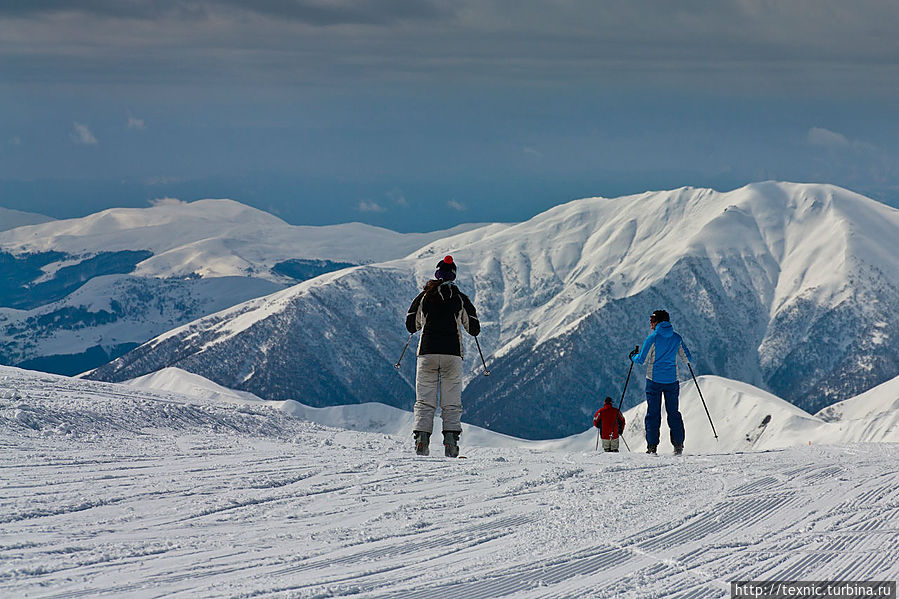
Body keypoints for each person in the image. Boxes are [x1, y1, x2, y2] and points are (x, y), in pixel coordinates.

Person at [405, 255, 480, 457]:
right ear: (454, 276)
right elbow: (473, 328)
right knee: (451, 401)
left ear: (437, 274)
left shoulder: (424, 297)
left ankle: (422, 439)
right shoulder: (460, 298)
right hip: (452, 355)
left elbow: (412, 325)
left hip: (427, 353)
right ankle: (450, 441)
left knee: (424, 400)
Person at [629, 309, 693, 455]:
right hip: (672, 381)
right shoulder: (677, 338)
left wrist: (633, 356)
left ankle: (652, 447)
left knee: (653, 414)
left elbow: (641, 360)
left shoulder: (652, 339)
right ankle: (678, 445)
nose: (650, 323)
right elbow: (688, 359)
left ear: (657, 322)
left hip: (654, 381)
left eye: (651, 320)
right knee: (673, 413)